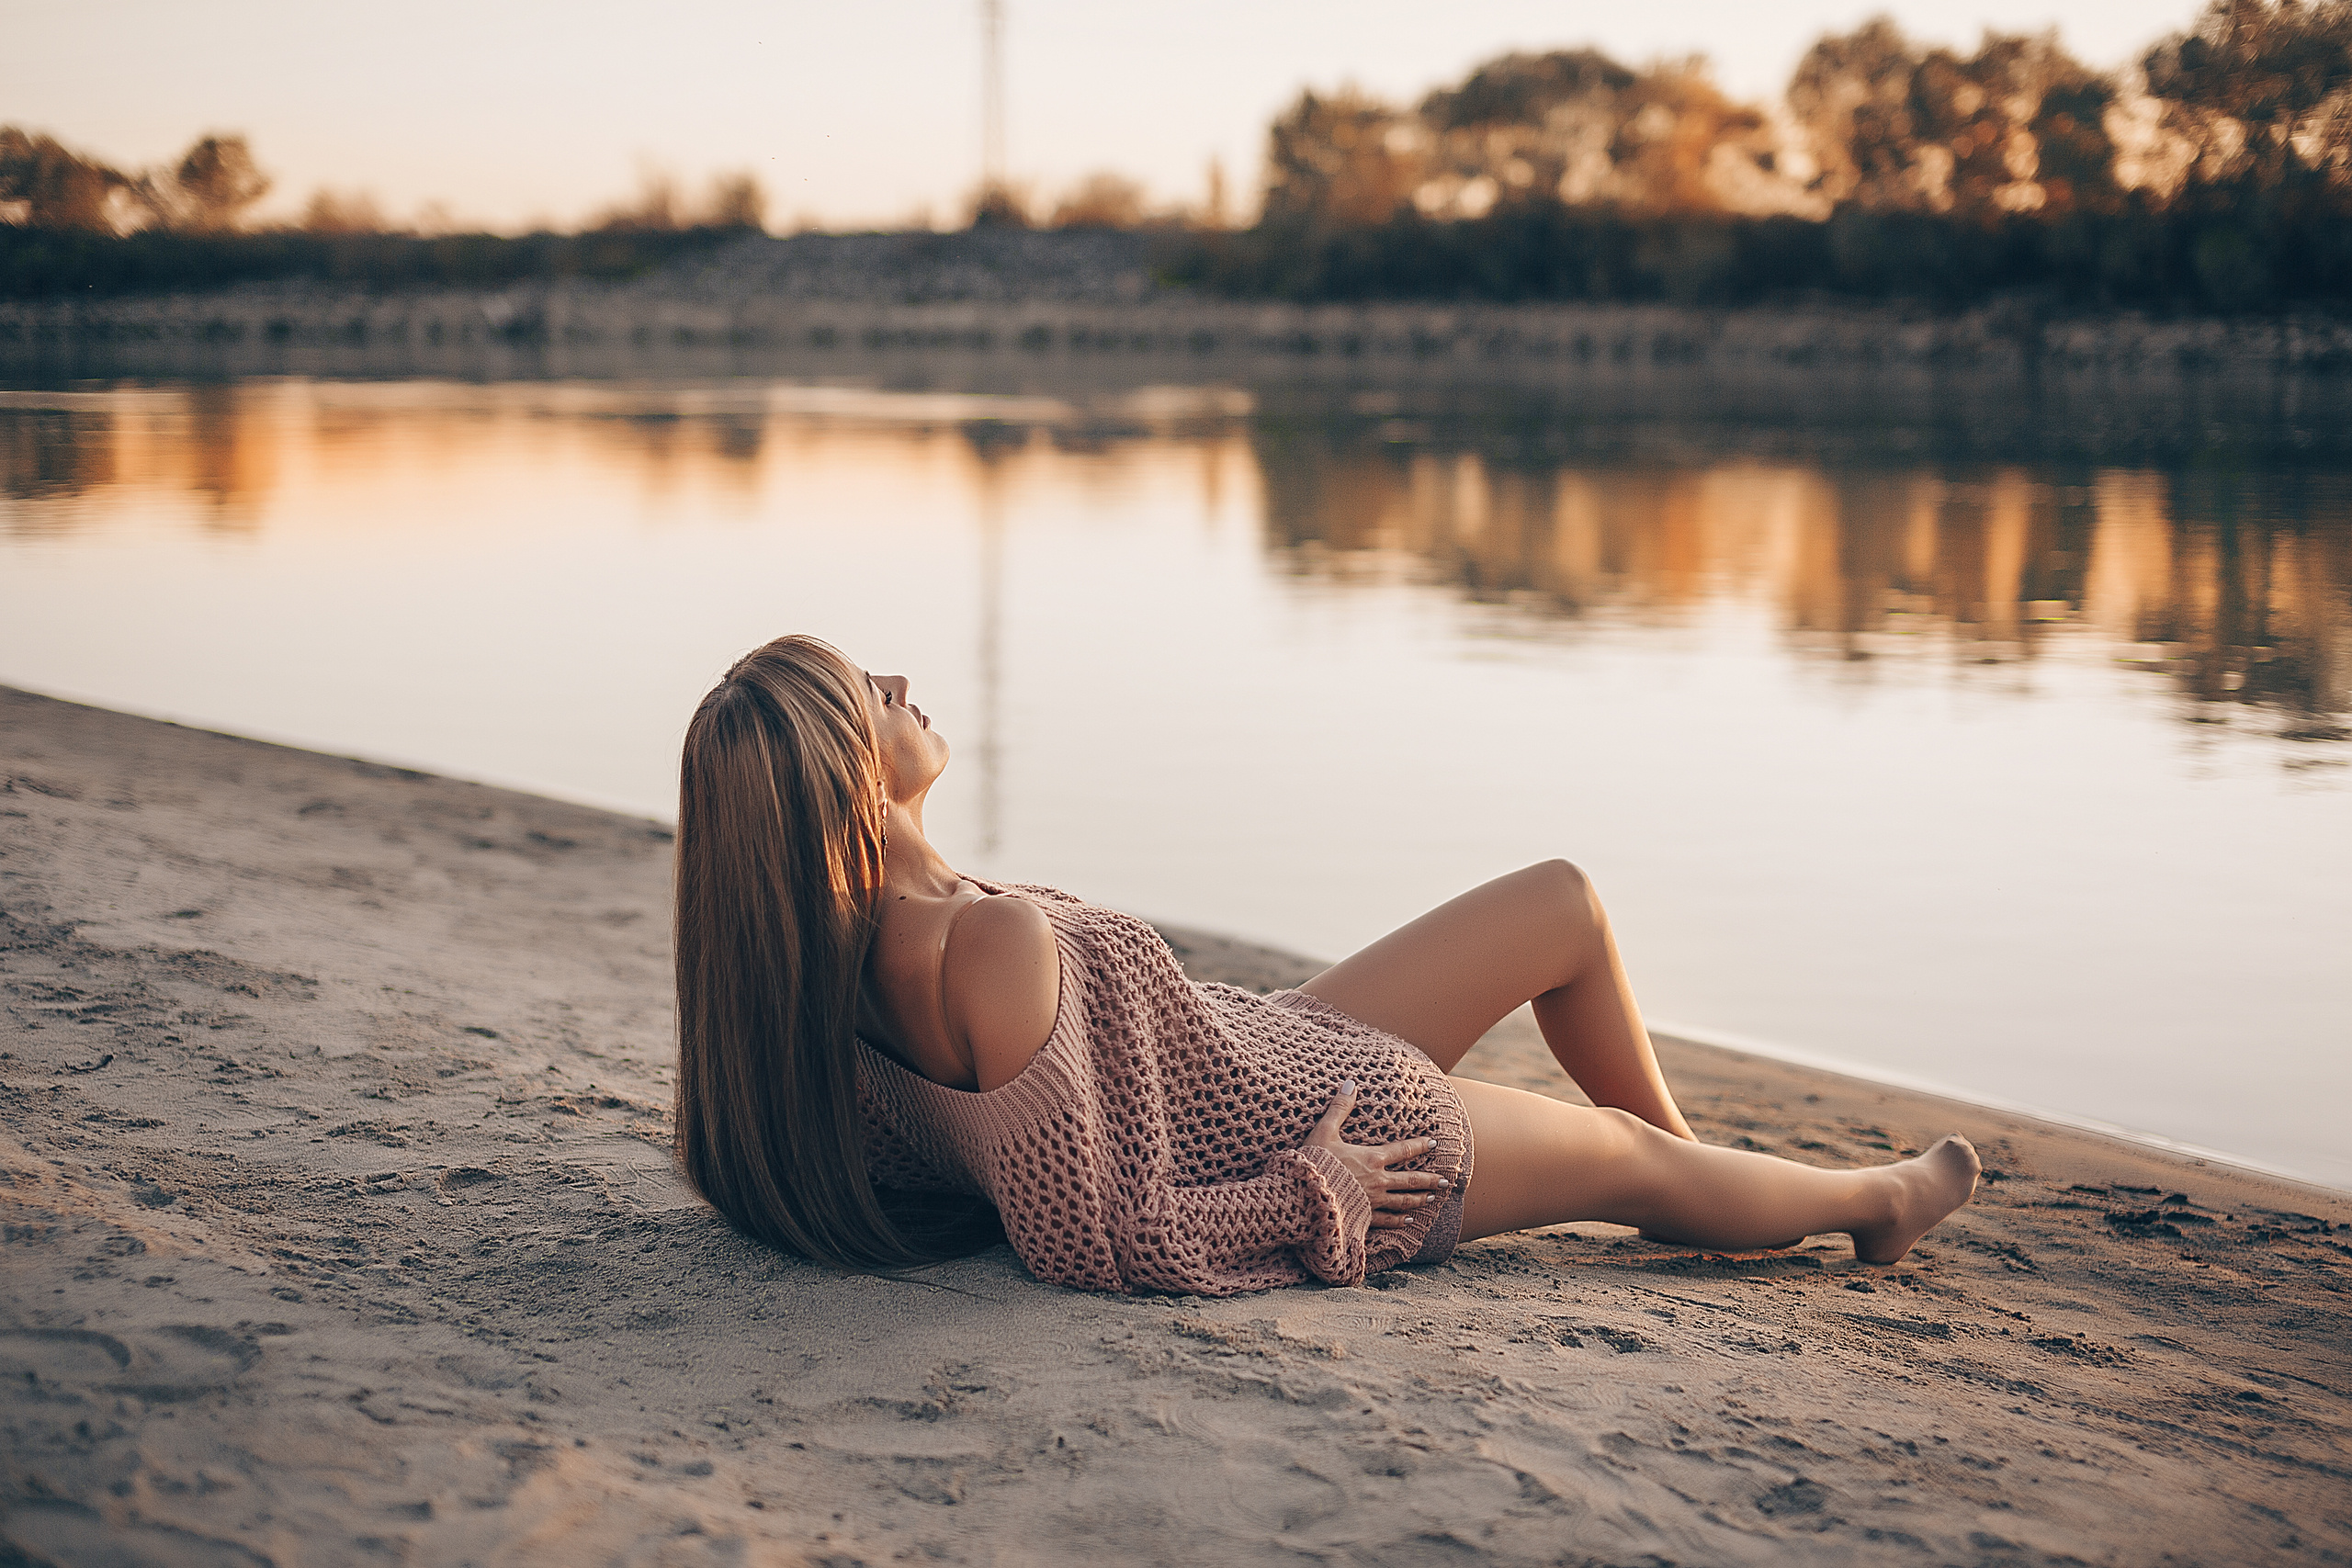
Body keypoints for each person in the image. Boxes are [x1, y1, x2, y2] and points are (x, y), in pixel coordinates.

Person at [673, 635, 1979, 1295]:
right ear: (851, 774)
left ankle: (1704, 1187)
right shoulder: (978, 947)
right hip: (1335, 1126)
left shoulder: (809, 974)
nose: (902, 678)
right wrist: (1317, 1191)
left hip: (1267, 1051)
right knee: (1627, 1156)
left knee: (1563, 904)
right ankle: (1868, 1203)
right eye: (869, 689)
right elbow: (1088, 1235)